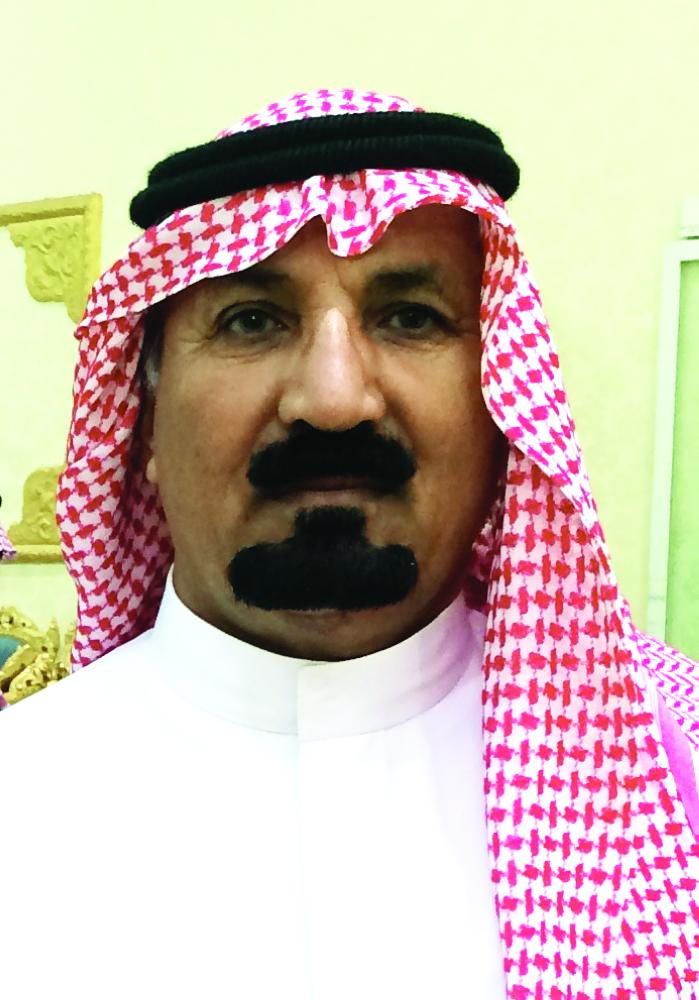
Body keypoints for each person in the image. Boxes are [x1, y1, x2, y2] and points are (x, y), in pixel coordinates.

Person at [1, 88, 697, 999]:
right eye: (251, 320)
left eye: (410, 318)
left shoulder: (673, 757)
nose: (333, 399)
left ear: (503, 409)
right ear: (142, 425)